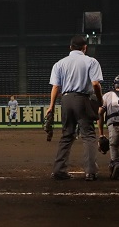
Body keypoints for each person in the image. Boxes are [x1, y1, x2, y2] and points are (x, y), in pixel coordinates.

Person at [47, 35, 104, 181]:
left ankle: (59, 170)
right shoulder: (91, 61)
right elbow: (96, 84)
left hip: (65, 100)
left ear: (70, 47)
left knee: (67, 135)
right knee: (88, 135)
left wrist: (51, 106)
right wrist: (100, 100)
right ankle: (90, 172)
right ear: (85, 48)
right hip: (82, 99)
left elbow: (56, 87)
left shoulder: (59, 63)